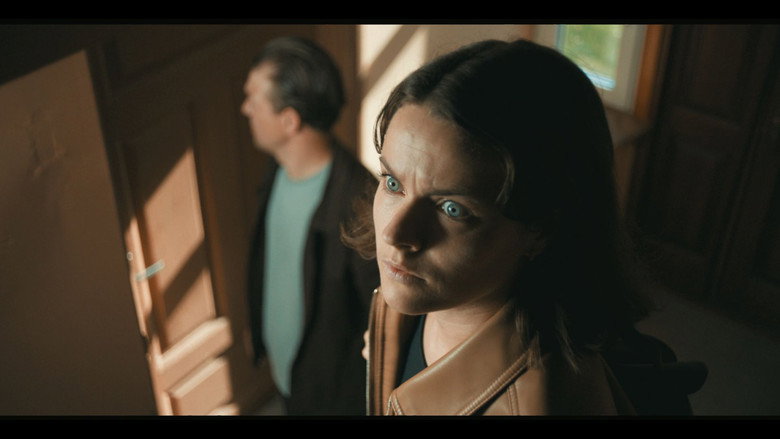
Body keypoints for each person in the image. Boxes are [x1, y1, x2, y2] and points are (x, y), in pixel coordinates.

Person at [344, 39, 705, 415]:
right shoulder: (421, 295)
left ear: (540, 229)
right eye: (392, 183)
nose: (395, 234)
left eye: (452, 209)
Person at [242, 36, 379, 415]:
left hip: (329, 397)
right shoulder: (277, 170)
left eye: (253, 98)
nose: (245, 108)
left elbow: (379, 321)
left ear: (289, 120)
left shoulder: (361, 205)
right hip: (287, 373)